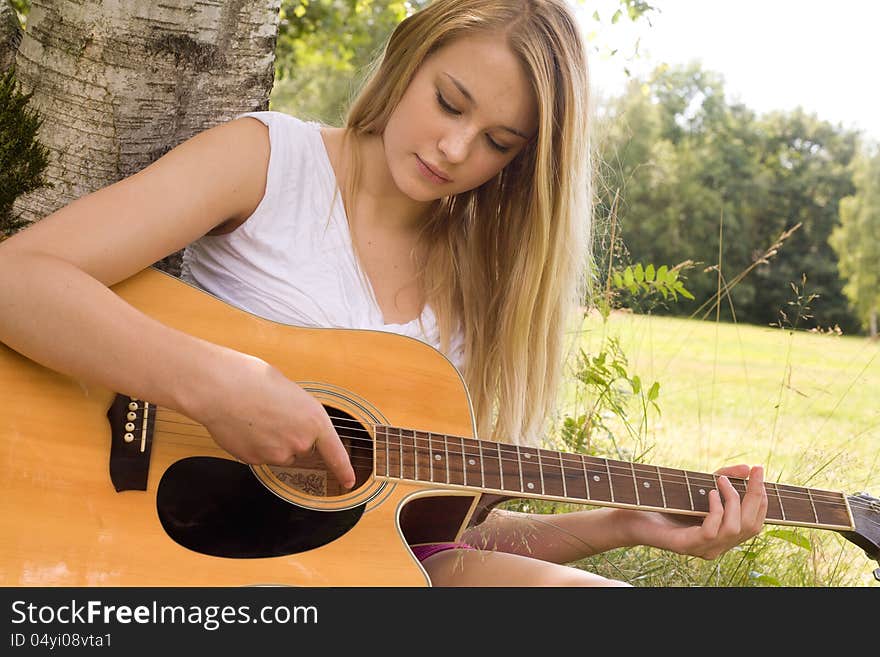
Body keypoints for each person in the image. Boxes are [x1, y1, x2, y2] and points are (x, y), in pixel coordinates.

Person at [0, 0, 767, 586]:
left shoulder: (481, 289)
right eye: (450, 101)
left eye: (500, 143)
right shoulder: (266, 162)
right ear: (409, 58)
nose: (456, 149)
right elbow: (17, 277)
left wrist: (622, 521)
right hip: (152, 546)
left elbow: (425, 542)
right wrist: (219, 384)